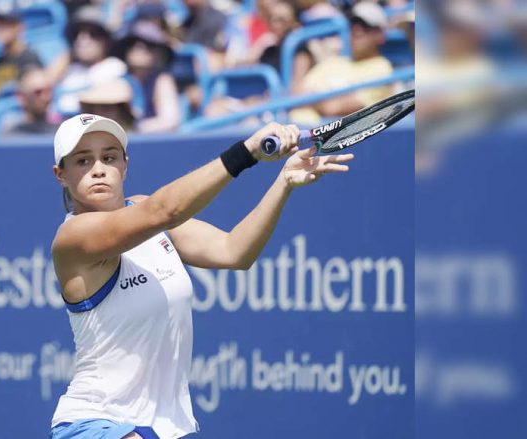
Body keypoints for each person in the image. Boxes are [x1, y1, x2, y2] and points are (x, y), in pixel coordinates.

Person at [48, 114, 353, 438]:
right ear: (61, 175)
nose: (98, 168)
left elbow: (233, 250)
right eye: (83, 161)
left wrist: (284, 182)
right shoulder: (73, 239)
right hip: (94, 422)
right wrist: (246, 152)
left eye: (109, 157)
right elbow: (165, 211)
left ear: (125, 165)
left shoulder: (142, 208)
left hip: (164, 426)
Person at [291, 1, 393, 124]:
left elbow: (333, 108)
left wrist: (309, 98)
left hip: (327, 137)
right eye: (353, 24)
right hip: (293, 130)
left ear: (380, 34)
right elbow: (295, 93)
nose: (357, 29)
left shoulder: (383, 69)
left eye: (365, 25)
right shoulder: (334, 62)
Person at [48, 5, 127, 116]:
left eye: (92, 34)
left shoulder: (114, 67)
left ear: (106, 41)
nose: (82, 40)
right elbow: (43, 90)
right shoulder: (68, 70)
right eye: (77, 34)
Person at [114, 21, 180, 133]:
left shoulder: (162, 80)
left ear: (159, 53)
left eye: (148, 45)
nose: (139, 47)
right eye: (133, 43)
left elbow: (170, 121)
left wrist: (136, 129)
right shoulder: (119, 81)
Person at [0, 2, 43, 112]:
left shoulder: (29, 57)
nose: (0, 29)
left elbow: (34, 94)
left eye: (6, 24)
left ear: (19, 27)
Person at [4, 68, 58, 134]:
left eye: (48, 91)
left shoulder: (62, 132)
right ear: (21, 97)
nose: (46, 97)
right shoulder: (12, 136)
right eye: (38, 92)